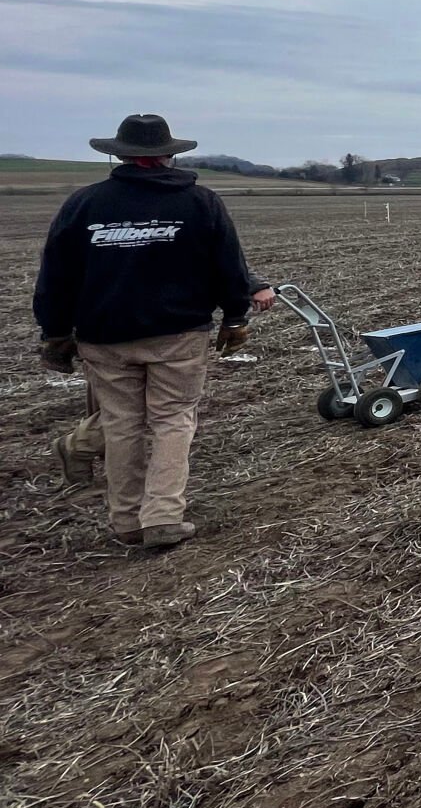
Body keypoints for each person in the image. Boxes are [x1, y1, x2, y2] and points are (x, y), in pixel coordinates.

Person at [34, 114, 259, 548]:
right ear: (170, 153)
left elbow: (56, 276)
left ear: (118, 154)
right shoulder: (200, 202)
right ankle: (162, 516)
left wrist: (56, 332)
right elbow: (229, 266)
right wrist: (235, 317)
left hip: (103, 335)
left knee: (122, 424)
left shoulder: (84, 204)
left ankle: (125, 521)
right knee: (174, 420)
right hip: (178, 334)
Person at [52, 276, 277, 487]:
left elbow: (206, 250)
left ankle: (85, 450)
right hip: (117, 326)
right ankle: (82, 448)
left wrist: (251, 285)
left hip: (162, 324)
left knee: (150, 408)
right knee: (142, 410)